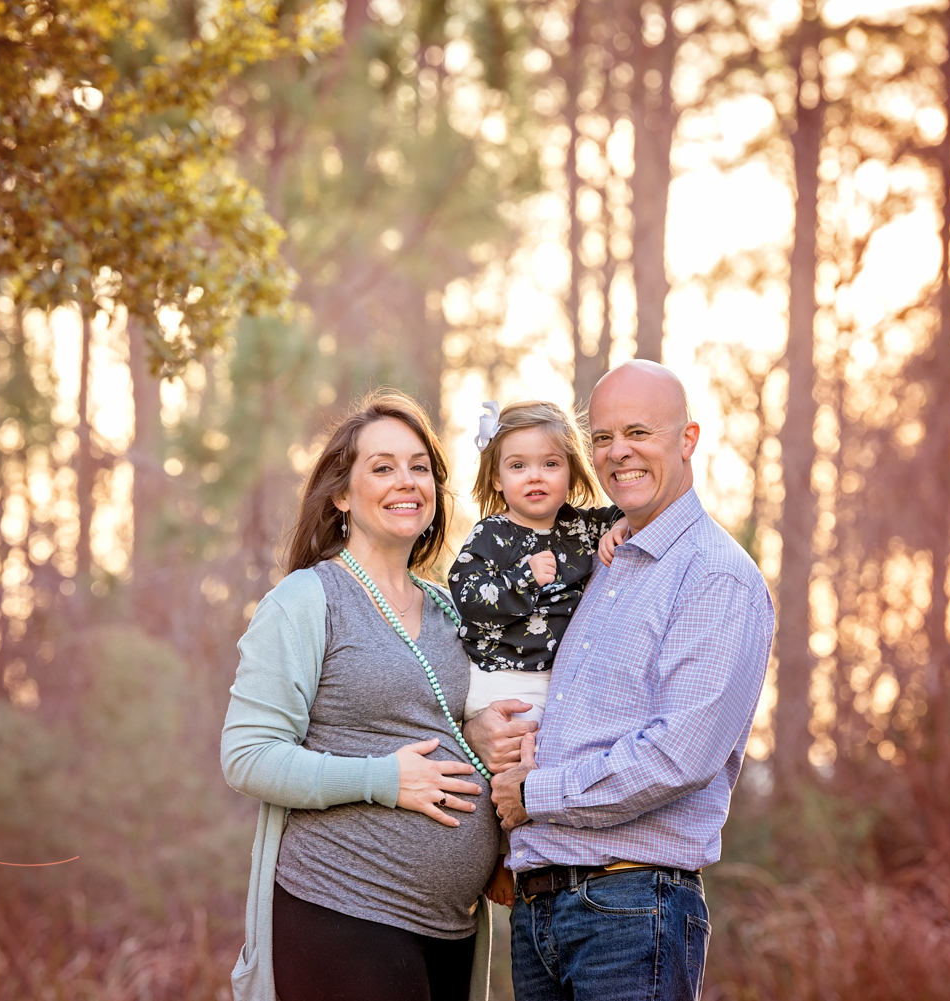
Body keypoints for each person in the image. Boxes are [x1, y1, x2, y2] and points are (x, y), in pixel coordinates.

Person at [466, 361, 776, 1001]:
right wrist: (482, 726)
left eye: (639, 432)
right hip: (540, 907)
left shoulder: (714, 576)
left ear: (687, 438)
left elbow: (678, 756)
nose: (618, 452)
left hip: (631, 908)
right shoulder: (603, 562)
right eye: (603, 437)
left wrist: (537, 792)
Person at [221, 390, 498, 1001]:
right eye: (383, 466)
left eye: (419, 466)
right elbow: (247, 755)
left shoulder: (454, 612)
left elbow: (457, 722)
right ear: (342, 494)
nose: (407, 481)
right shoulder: (307, 601)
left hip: (451, 930)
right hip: (344, 908)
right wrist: (382, 779)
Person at [454, 399, 624, 728]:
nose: (535, 476)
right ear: (497, 479)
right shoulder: (493, 534)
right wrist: (523, 579)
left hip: (559, 682)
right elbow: (467, 593)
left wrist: (618, 526)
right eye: (518, 466)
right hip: (501, 678)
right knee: (520, 759)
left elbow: (629, 510)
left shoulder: (579, 527)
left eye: (550, 464)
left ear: (572, 474)